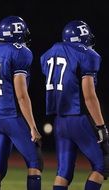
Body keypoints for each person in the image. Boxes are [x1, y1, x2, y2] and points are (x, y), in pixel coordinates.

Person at [40, 20, 109, 190]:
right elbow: (89, 96)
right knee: (103, 166)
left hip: (60, 121)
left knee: (63, 173)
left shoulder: (48, 54)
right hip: (79, 118)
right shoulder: (87, 55)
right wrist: (101, 126)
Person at [0, 16, 43, 190]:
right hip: (11, 116)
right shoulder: (20, 52)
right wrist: (32, 126)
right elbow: (21, 94)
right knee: (35, 163)